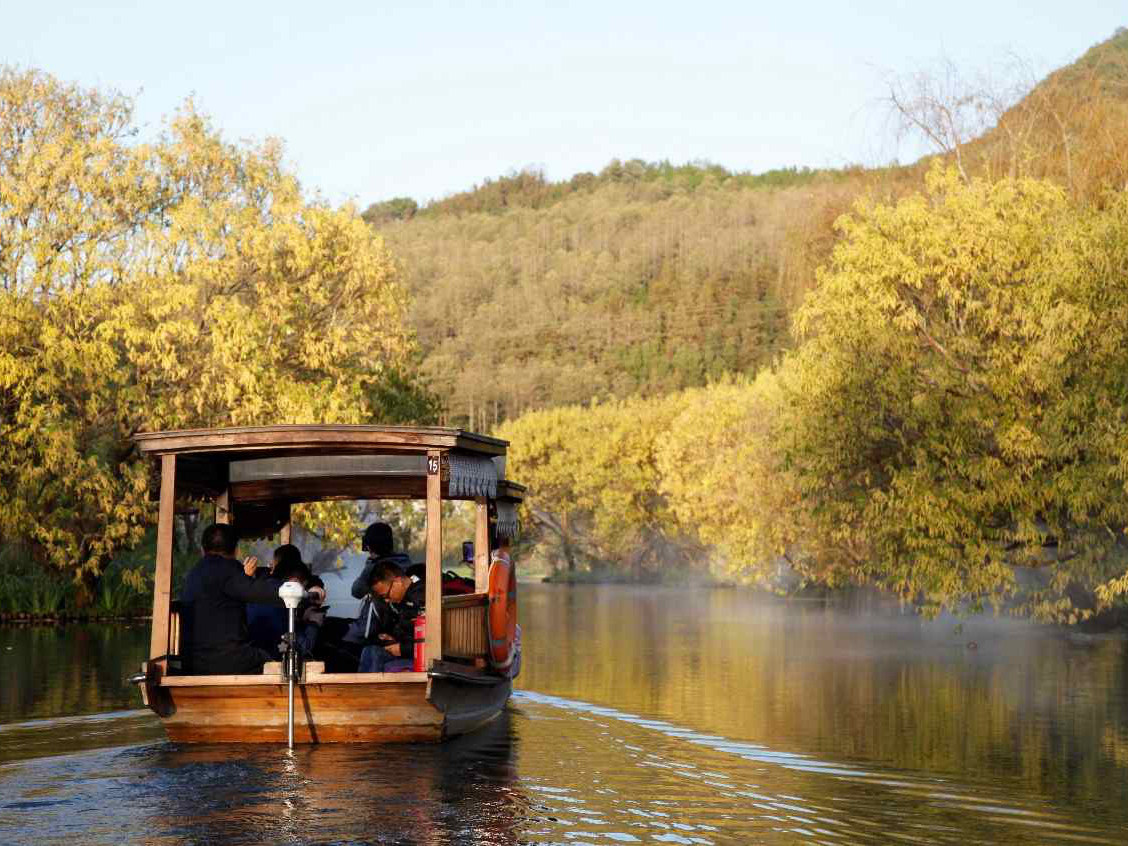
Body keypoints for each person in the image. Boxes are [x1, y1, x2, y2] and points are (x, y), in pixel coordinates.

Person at [179, 524, 287, 675]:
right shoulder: (229, 570)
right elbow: (260, 592)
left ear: (203, 549)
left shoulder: (193, 573)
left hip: (192, 662)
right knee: (269, 661)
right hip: (225, 661)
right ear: (236, 550)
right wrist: (299, 592)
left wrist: (245, 577)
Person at [246, 544, 326, 659]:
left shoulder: (255, 589)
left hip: (251, 656)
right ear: (294, 581)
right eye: (303, 587)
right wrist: (314, 620)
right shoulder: (287, 599)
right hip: (273, 660)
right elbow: (303, 647)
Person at [357, 559, 424, 673]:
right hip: (408, 650)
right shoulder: (404, 599)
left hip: (420, 657)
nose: (387, 601)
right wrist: (393, 639)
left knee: (374, 654)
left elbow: (431, 640)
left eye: (386, 595)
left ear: (397, 582)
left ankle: (371, 685)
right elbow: (408, 631)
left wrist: (402, 649)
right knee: (369, 650)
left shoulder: (421, 598)